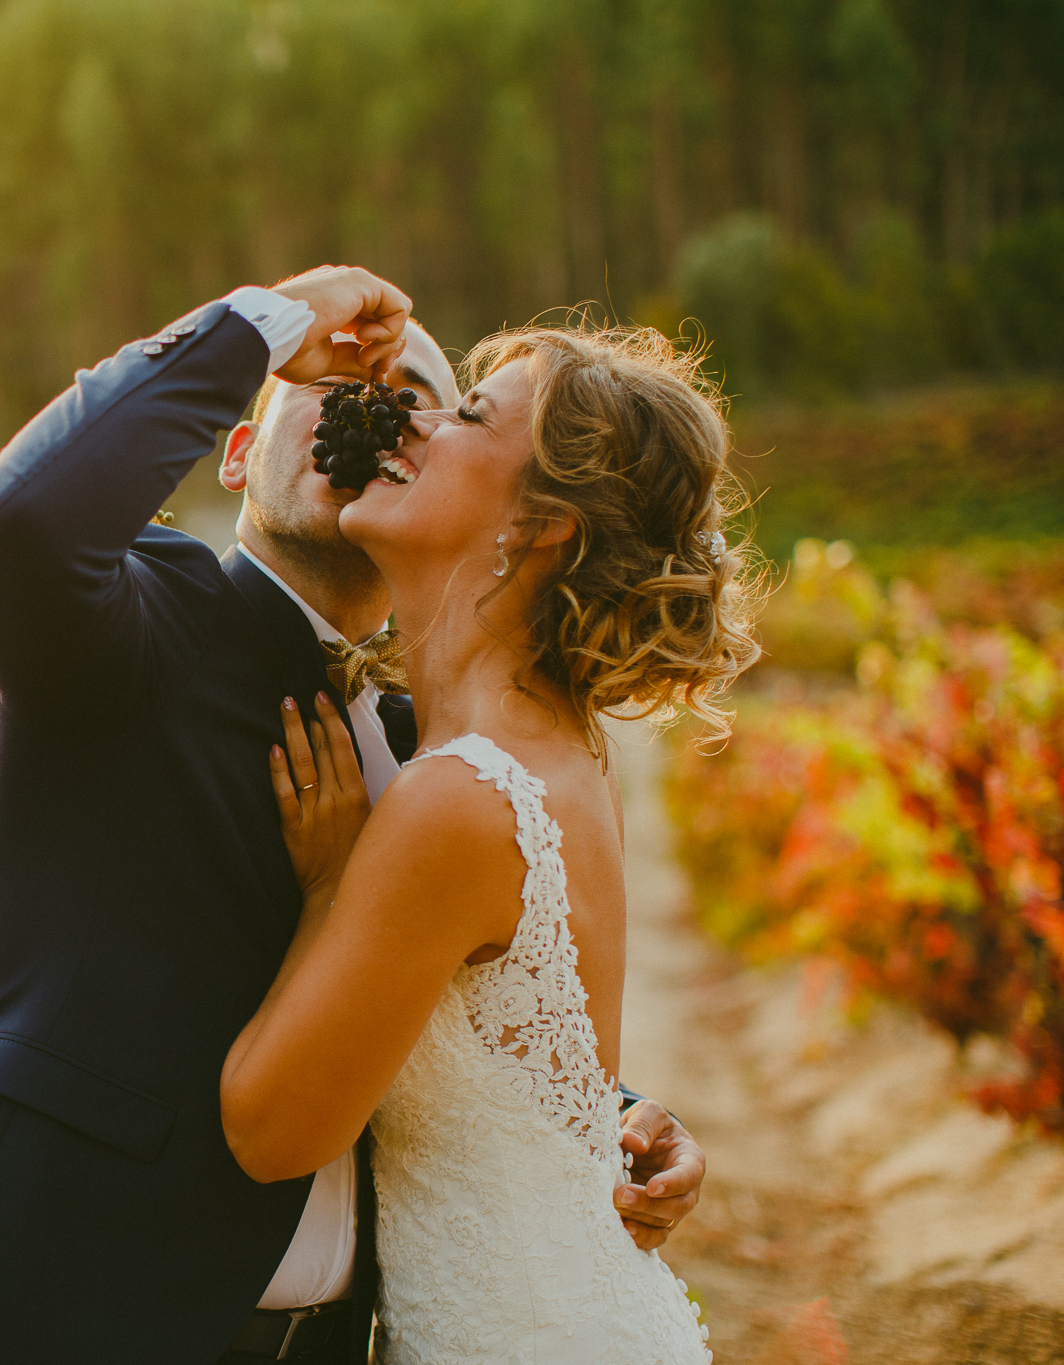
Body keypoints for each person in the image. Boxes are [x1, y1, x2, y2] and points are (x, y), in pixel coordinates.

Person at [0, 268, 707, 1364]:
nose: (374, 407)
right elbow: (20, 527)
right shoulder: (133, 624)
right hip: (88, 1317)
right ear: (230, 448)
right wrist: (266, 323)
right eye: (327, 380)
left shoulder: (441, 750)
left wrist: (611, 1120)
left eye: (416, 398)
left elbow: (431, 1009)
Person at [221, 324, 758, 1361]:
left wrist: (335, 881)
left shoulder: (459, 801)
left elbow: (267, 1128)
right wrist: (630, 1116)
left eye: (464, 413)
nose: (409, 422)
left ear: (542, 523)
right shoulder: (551, 748)